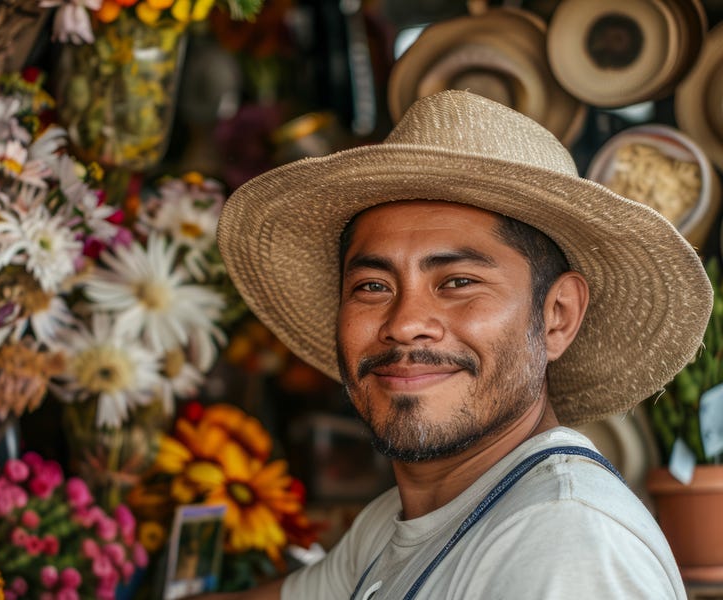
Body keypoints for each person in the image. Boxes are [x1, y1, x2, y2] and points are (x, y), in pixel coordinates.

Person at [209, 90, 711, 599]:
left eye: (458, 282)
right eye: (373, 286)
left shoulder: (566, 544)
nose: (405, 324)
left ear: (556, 316)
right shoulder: (397, 523)